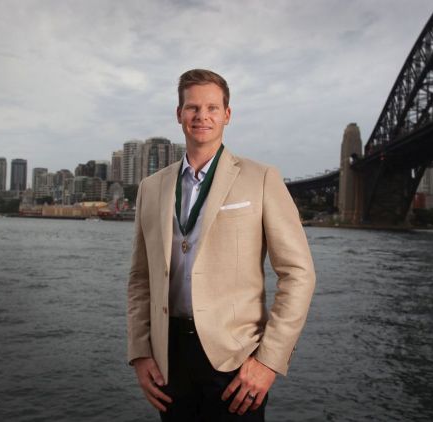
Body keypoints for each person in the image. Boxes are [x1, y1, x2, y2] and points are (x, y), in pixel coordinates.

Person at [127, 69, 316, 421]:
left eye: (213, 108)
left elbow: (298, 273)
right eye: (192, 107)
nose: (202, 116)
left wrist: (268, 361)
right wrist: (140, 351)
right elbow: (140, 279)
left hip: (235, 361)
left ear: (227, 115)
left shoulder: (261, 178)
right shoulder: (151, 188)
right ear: (179, 114)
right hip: (169, 360)